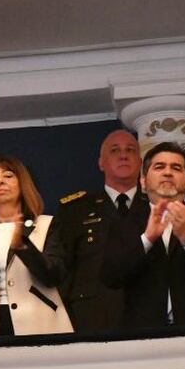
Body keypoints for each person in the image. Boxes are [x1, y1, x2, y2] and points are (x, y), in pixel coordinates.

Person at [102, 142, 185, 329]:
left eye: (176, 168)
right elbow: (110, 277)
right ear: (143, 181)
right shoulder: (123, 225)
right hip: (142, 336)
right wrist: (147, 239)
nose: (167, 172)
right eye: (159, 167)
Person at [0, 156, 72, 337]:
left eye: (8, 176)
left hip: (39, 323)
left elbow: (54, 276)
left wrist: (22, 245)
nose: (0, 181)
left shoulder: (45, 225)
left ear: (22, 184)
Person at [56, 129, 143, 333]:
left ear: (140, 163)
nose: (123, 155)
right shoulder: (75, 210)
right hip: (91, 316)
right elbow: (63, 270)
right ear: (101, 163)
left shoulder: (155, 207)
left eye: (130, 150)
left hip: (145, 312)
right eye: (115, 150)